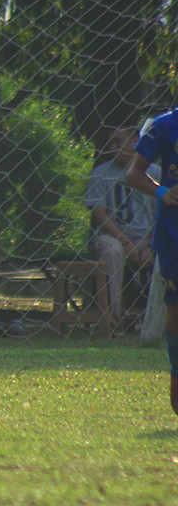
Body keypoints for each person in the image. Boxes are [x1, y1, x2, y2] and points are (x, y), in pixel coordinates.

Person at [126, 109, 178, 416]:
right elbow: (133, 173)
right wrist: (162, 193)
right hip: (173, 235)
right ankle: (176, 372)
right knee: (176, 311)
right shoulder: (164, 126)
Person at [85, 125, 158, 320]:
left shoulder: (156, 174)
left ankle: (159, 319)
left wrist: (152, 246)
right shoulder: (100, 173)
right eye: (110, 143)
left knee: (169, 248)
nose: (112, 147)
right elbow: (99, 215)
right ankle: (113, 318)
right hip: (113, 237)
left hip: (149, 238)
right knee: (112, 250)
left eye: (118, 142)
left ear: (135, 142)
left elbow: (166, 215)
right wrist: (126, 242)